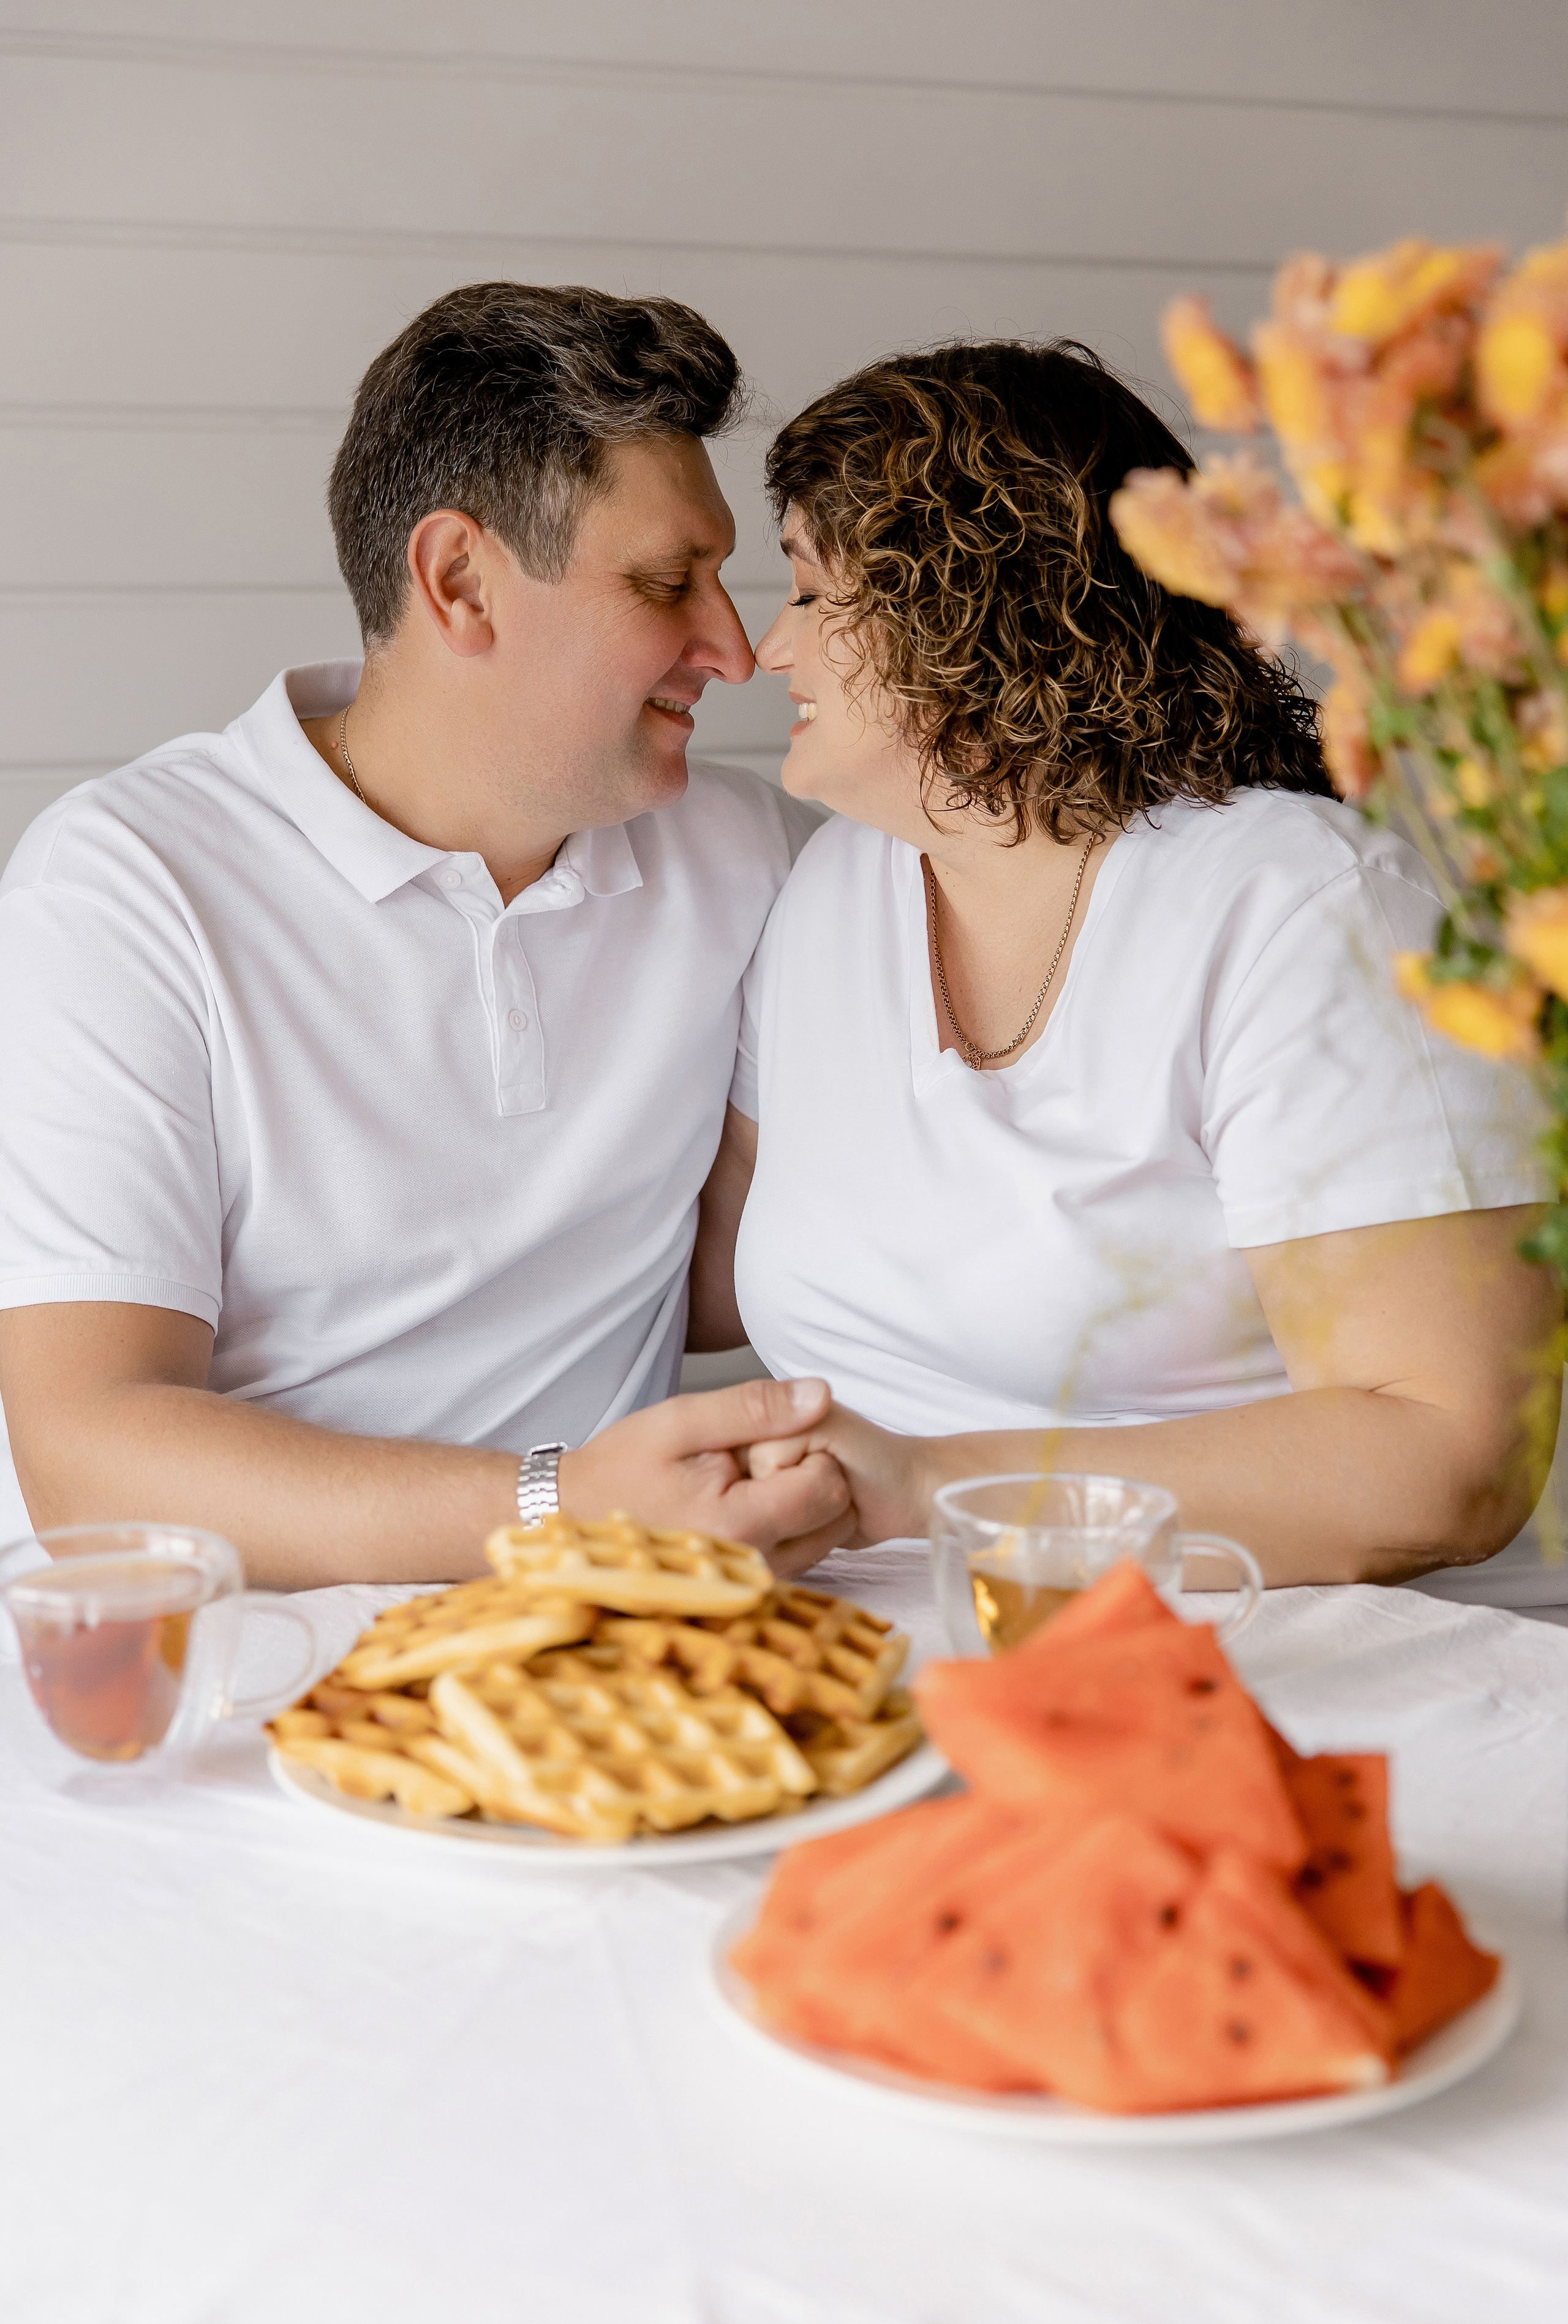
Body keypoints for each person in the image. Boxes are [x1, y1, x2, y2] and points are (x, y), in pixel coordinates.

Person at [0, 282, 851, 1588]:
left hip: (607, 1642)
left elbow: (729, 1275)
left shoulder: (747, 856)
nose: (734, 649)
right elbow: (91, 1455)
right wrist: (566, 1508)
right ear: (460, 582)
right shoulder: (128, 887)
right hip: (226, 1647)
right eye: (667, 582)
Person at [688, 339, 1563, 1591]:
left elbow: (1448, 1460)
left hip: (1257, 1643)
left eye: (816, 595)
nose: (769, 648)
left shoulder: (1301, 904)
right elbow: (700, 1278)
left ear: (977, 610)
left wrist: (923, 1487)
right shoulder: (833, 887)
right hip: (856, 1629)